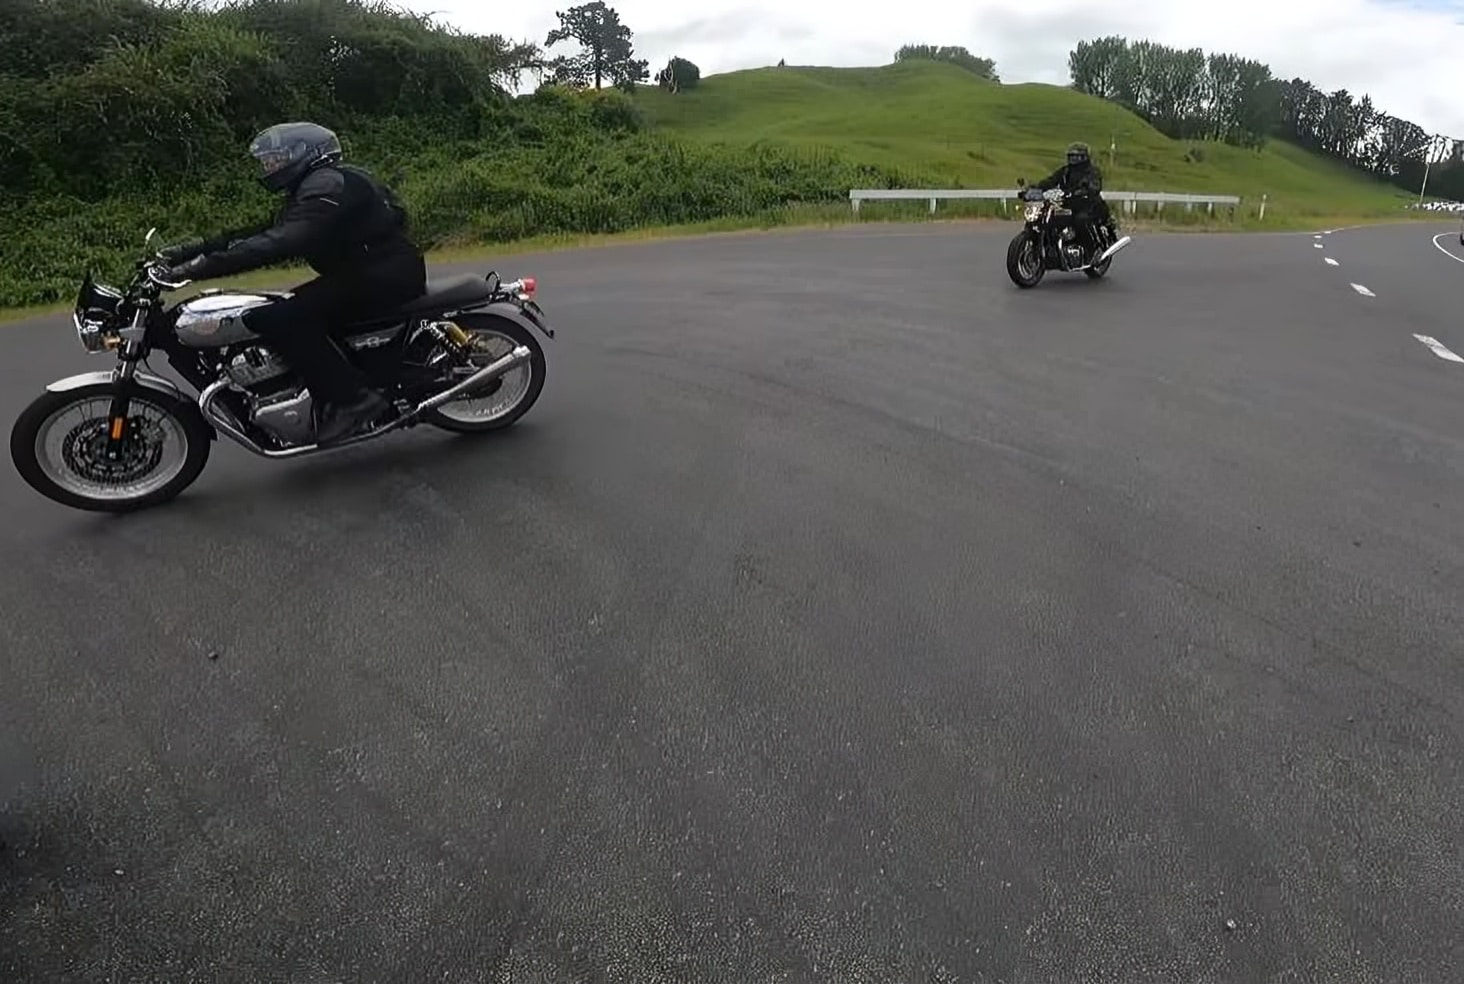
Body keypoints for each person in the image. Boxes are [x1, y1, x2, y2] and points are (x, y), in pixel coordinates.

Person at [158, 121, 428, 446]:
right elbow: (257, 233)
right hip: (366, 272)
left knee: (281, 317)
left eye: (275, 158)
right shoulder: (316, 185)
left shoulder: (326, 185)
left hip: (383, 275)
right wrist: (186, 253)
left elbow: (282, 241)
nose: (269, 166)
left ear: (302, 154)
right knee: (277, 312)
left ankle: (354, 400)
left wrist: (199, 269)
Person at [1031, 141, 1118, 256]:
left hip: (1089, 205)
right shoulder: (1066, 171)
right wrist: (1035, 189)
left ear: (1083, 157)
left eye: (1075, 157)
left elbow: (1095, 185)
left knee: (1080, 220)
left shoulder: (1092, 171)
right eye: (1071, 156)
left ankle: (1089, 251)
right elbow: (1050, 181)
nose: (1072, 159)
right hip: (1069, 204)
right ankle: (1054, 247)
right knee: (1051, 217)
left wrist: (1085, 189)